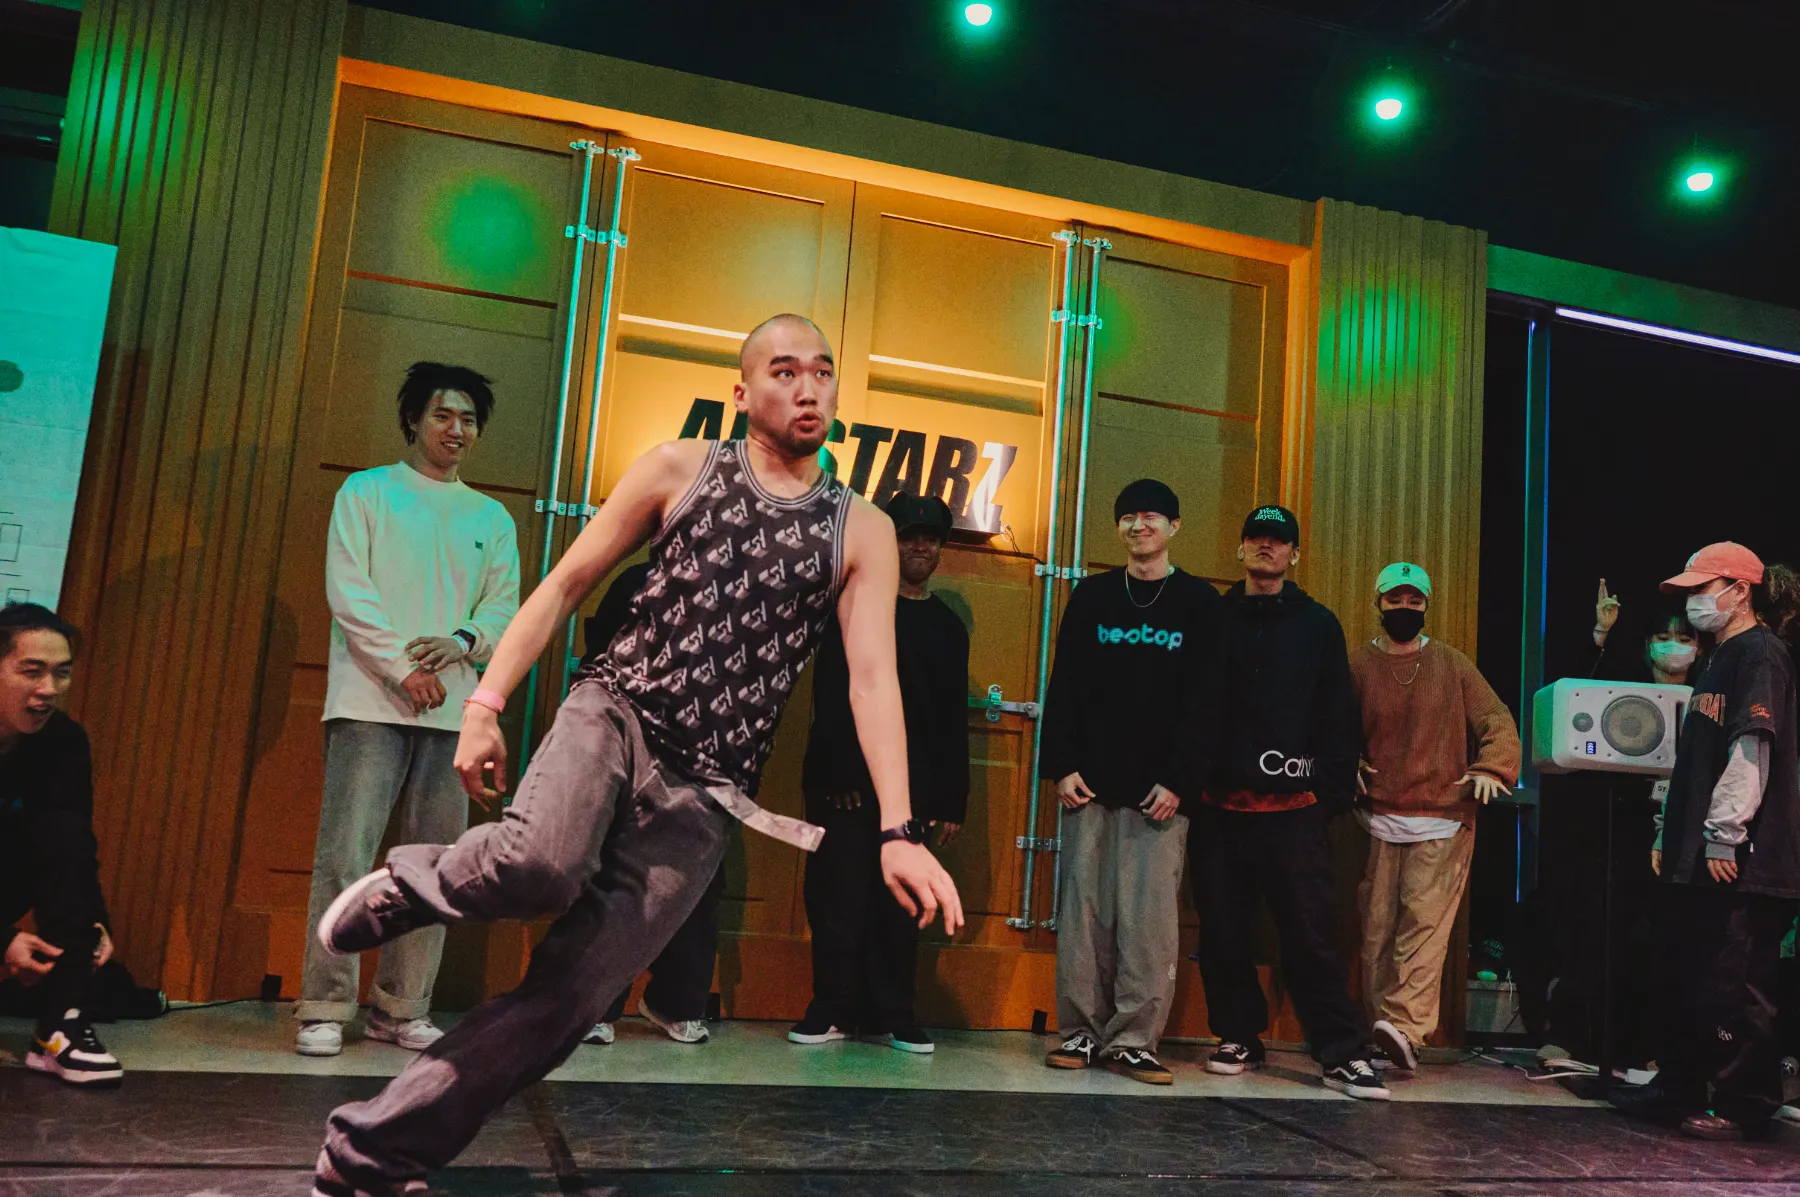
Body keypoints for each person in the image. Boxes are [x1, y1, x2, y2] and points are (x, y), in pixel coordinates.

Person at [308, 314, 962, 1197]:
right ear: (742, 392)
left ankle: (372, 1151)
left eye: (821, 371)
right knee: (538, 864)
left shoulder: (863, 528)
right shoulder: (679, 468)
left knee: (569, 1000)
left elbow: (873, 680)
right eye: (783, 371)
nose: (807, 387)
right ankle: (410, 884)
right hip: (616, 714)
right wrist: (484, 705)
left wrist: (898, 830)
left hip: (710, 789)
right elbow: (564, 584)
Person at [295, 363, 521, 1058]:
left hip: (454, 713)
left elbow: (503, 606)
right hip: (369, 702)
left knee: (435, 866)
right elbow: (348, 592)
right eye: (442, 415)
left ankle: (402, 1006)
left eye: (468, 420)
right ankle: (323, 1005)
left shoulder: (491, 517)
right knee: (346, 856)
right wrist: (402, 669)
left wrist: (461, 643)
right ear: (414, 420)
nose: (456, 430)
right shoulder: (367, 492)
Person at [1189, 504, 1388, 1099]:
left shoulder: (1318, 624)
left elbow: (1337, 713)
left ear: (1294, 554)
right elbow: (1191, 704)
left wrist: (1327, 796)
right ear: (1240, 548)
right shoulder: (1212, 617)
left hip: (1294, 812)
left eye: (1277, 541)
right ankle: (1238, 1036)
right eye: (1256, 537)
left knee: (1311, 938)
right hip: (1219, 810)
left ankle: (1341, 1053)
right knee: (1223, 934)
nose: (1265, 547)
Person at [1613, 542, 1800, 1141]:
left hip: (1744, 859)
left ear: (1739, 591)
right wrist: (1670, 831)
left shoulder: (1761, 654)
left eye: (1702, 588)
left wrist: (1724, 836)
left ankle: (1744, 1103)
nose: (1694, 601)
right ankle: (1680, 1086)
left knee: (1736, 984)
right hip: (1699, 852)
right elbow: (1694, 760)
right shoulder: (1719, 659)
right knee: (1687, 974)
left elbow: (1752, 749)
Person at [1036, 479, 1219, 1085]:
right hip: (1088, 786)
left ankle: (1135, 1042)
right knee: (1083, 917)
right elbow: (1063, 685)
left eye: (1151, 516)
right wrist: (1061, 766)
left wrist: (1180, 780)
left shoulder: (1198, 602)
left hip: (1159, 796)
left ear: (1173, 527)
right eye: (1128, 517)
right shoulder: (1092, 597)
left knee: (1148, 924)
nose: (1139, 525)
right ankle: (1081, 1034)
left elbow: (1207, 702)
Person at [793, 493, 971, 1056]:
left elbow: (951, 720)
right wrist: (837, 774)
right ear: (889, 543)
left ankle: (894, 1016)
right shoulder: (853, 608)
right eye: (909, 536)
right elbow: (832, 696)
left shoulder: (948, 627)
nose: (920, 547)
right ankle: (831, 1009)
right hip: (843, 789)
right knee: (837, 900)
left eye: (931, 539)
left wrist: (952, 800)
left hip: (915, 794)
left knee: (902, 909)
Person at [1350, 563, 1520, 1076]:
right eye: (1395, 601)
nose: (1404, 609)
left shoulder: (1451, 663)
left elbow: (1496, 719)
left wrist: (1492, 767)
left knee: (1424, 929)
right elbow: (1330, 724)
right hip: (1377, 817)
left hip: (1443, 818)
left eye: (1414, 602)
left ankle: (1405, 1028)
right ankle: (1380, 1030)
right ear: (1379, 603)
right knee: (1376, 932)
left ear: (1426, 606)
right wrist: (1345, 762)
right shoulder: (1357, 665)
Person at [575, 561, 723, 1048]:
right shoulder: (636, 580)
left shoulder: (733, 588)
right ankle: (596, 1005)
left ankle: (675, 1003)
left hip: (703, 748)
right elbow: (598, 659)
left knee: (695, 880)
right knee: (615, 873)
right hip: (630, 736)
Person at [0, 603, 123, 1087]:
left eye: (62, 673)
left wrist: (93, 924)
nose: (49, 689)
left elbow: (73, 846)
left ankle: (60, 1027)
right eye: (32, 671)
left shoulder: (64, 741)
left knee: (63, 831)